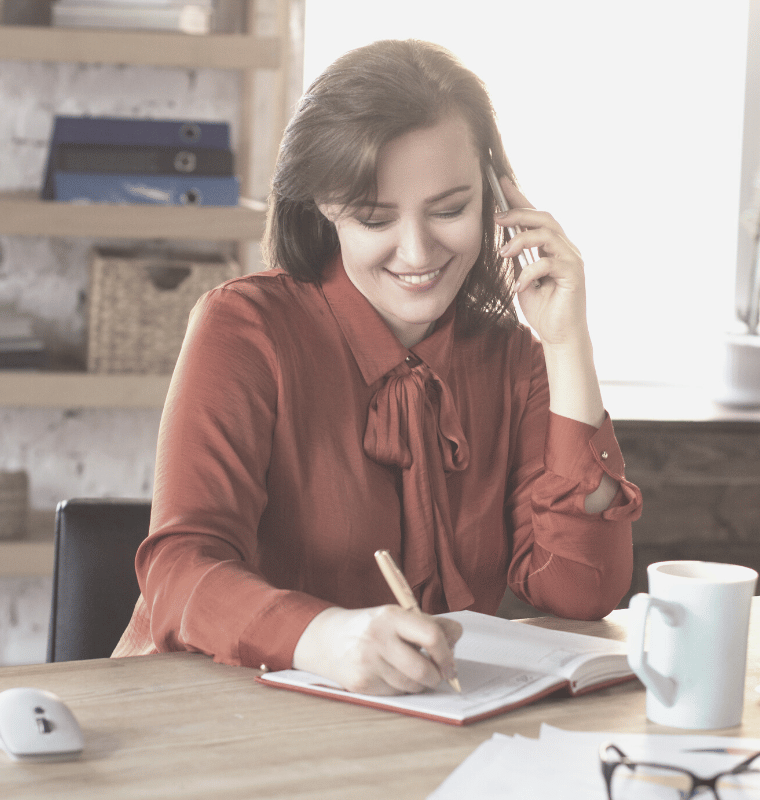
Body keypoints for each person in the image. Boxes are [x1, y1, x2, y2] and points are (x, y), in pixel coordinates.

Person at [113, 39, 642, 696]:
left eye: (450, 209)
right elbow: (179, 571)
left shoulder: (514, 360)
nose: (418, 252)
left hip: (410, 735)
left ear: (495, 197)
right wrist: (324, 636)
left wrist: (568, 345)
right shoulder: (244, 328)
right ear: (323, 207)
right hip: (216, 718)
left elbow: (580, 590)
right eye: (373, 217)